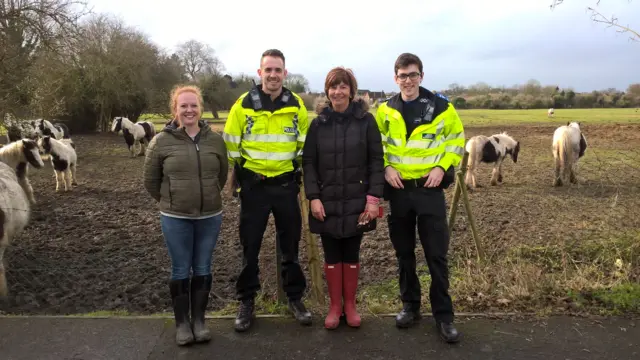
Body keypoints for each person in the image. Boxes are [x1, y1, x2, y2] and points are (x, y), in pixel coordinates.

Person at [375, 53, 465, 343]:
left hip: (429, 190)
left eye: (413, 75)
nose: (408, 80)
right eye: (402, 75)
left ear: (421, 76)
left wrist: (442, 166)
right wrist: (386, 167)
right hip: (399, 192)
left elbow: (457, 141)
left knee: (436, 256)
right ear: (395, 78)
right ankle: (410, 307)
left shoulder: (442, 107)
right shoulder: (385, 110)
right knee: (404, 255)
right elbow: (377, 146)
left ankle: (443, 316)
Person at [222, 49, 311, 332]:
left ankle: (294, 299)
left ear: (285, 73)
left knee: (291, 248)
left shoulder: (296, 104)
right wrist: (238, 178)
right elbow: (231, 147)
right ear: (260, 73)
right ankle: (247, 302)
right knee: (250, 248)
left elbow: (302, 147)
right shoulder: (243, 105)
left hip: (285, 187)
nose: (273, 75)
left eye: (278, 70)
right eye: (268, 70)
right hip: (254, 188)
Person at [143, 84, 228, 346]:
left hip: (209, 217)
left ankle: (199, 321)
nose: (189, 110)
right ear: (175, 109)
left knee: (203, 267)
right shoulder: (160, 142)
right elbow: (151, 181)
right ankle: (182, 324)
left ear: (200, 108)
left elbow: (222, 175)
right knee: (181, 267)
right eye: (184, 106)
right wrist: (171, 202)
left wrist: (209, 196)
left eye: (193, 105)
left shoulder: (215, 139)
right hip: (175, 218)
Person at [302, 67, 385, 330]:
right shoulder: (318, 124)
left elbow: (376, 160)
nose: (338, 91)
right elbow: (309, 162)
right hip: (326, 201)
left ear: (351, 90)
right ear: (327, 91)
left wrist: (373, 199)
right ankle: (334, 307)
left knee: (351, 253)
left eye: (343, 86)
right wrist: (313, 197)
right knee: (331, 254)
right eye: (333, 87)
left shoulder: (366, 122)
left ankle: (350, 305)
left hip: (356, 201)